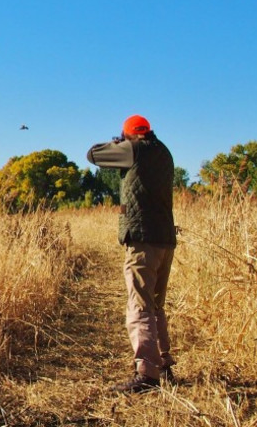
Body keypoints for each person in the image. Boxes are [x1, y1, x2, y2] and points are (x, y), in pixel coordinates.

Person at [87, 115, 178, 393]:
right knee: (155, 306)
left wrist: (118, 141)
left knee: (139, 306)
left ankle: (147, 375)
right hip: (165, 239)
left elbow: (92, 154)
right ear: (149, 131)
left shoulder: (132, 149)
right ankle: (164, 367)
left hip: (142, 240)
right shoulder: (163, 152)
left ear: (128, 135)